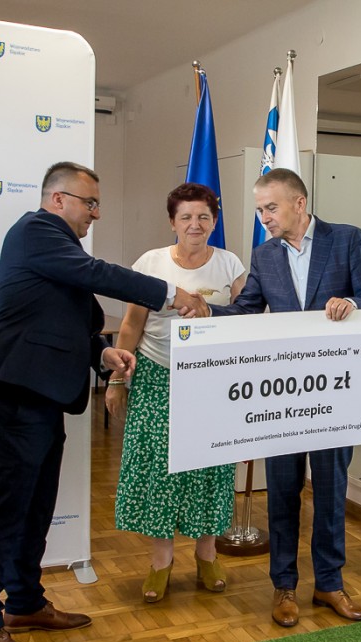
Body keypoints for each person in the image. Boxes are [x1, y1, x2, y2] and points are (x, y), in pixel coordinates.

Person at [0, 162, 205, 642]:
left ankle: (23, 603)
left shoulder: (60, 255)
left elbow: (65, 324)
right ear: (57, 200)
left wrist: (102, 354)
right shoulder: (35, 231)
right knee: (6, 511)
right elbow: (99, 274)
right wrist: (170, 293)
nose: (96, 213)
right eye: (89, 203)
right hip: (11, 395)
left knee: (34, 507)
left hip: (40, 398)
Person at [202, 168, 361, 626]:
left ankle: (330, 584)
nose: (264, 217)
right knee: (283, 492)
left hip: (334, 396)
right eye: (260, 209)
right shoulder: (264, 254)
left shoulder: (345, 239)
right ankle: (283, 586)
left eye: (271, 207)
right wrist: (206, 311)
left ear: (299, 203)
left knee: (331, 492)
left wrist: (354, 304)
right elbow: (247, 311)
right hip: (282, 399)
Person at [106, 183, 246, 603]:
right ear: (172, 222)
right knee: (158, 467)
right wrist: (117, 381)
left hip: (212, 380)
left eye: (203, 216)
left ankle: (207, 554)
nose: (194, 224)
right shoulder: (150, 263)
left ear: (214, 222)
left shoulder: (230, 265)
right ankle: (161, 561)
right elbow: (131, 325)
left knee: (211, 465)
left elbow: (245, 321)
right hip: (155, 375)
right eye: (186, 217)